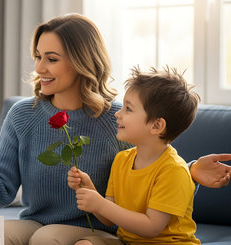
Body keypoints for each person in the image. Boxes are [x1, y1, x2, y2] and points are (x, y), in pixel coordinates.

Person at [0, 14, 231, 244]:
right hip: (37, 223)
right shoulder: (22, 115)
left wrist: (189, 171)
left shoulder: (119, 119)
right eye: (38, 57)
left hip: (100, 228)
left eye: (52, 59)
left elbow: (153, 166)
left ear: (82, 61)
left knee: (46, 239)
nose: (40, 68)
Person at [68, 67, 202, 244]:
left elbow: (151, 228)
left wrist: (100, 204)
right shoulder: (121, 160)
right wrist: (90, 191)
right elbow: (109, 219)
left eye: (128, 109)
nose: (118, 114)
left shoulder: (174, 171)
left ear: (156, 126)